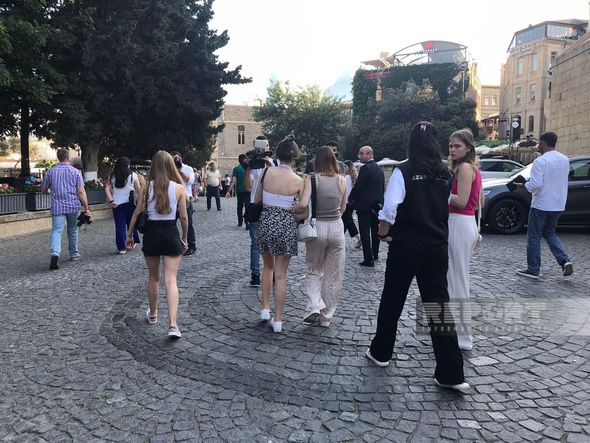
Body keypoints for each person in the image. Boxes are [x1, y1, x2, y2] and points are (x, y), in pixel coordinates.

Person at [366, 121, 469, 394]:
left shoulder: (404, 170)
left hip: (406, 245)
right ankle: (451, 372)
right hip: (436, 246)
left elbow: (390, 208)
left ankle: (381, 351)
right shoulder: (445, 172)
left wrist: (383, 233)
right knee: (439, 307)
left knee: (393, 299)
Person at [127, 151, 188, 338]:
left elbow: (136, 213)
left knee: (153, 278)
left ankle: (153, 314)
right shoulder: (179, 188)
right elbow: (184, 217)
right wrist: (185, 237)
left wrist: (129, 235)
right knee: (171, 280)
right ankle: (173, 325)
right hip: (170, 232)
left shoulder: (147, 188)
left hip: (152, 233)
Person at [256, 135, 304, 332]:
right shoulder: (299, 180)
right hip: (286, 224)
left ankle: (265, 308)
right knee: (281, 275)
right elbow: (303, 211)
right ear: (294, 157)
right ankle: (278, 320)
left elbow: (257, 199)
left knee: (268, 267)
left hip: (267, 221)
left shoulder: (266, 172)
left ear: (277, 154)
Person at [297, 146, 347, 328]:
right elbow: (343, 208)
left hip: (317, 227)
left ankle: (314, 306)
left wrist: (292, 209)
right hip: (337, 227)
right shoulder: (342, 180)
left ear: (316, 161)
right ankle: (326, 317)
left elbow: (303, 204)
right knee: (333, 275)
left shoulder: (311, 179)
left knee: (314, 269)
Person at [515, 131, 573, 279]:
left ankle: (533, 269)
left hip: (541, 204)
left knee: (534, 236)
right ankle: (564, 260)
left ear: (543, 143)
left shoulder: (540, 161)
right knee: (550, 233)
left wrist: (524, 185)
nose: (538, 147)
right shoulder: (564, 159)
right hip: (558, 203)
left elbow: (536, 184)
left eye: (540, 144)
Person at [447, 129, 483, 351]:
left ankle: (462, 338)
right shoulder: (470, 168)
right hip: (463, 223)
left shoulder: (465, 168)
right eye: (450, 145)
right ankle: (457, 334)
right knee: (454, 279)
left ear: (468, 148)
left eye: (457, 146)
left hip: (459, 223)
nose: (452, 149)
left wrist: (440, 192)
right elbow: (478, 203)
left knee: (457, 280)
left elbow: (461, 201)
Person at [41, 148, 91, 270]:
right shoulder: (76, 172)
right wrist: (86, 207)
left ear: (58, 158)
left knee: (57, 231)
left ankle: (55, 253)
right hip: (73, 206)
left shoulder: (50, 172)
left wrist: (50, 191)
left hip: (57, 207)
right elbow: (81, 191)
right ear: (68, 157)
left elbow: (43, 189)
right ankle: (74, 254)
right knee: (72, 230)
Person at [348, 146, 384, 267]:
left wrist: (351, 199)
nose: (359, 156)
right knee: (375, 231)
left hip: (365, 206)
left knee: (364, 232)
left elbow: (359, 186)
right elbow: (381, 188)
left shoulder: (365, 168)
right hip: (377, 206)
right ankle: (375, 254)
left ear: (369, 154)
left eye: (361, 154)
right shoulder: (379, 169)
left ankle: (368, 259)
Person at [245, 136, 274, 287]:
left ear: (268, 147)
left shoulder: (275, 163)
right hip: (255, 206)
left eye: (265, 146)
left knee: (272, 241)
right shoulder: (253, 163)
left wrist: (269, 164)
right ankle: (255, 274)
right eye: (259, 147)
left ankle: (272, 273)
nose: (262, 149)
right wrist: (248, 167)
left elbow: (278, 182)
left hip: (271, 206)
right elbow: (248, 187)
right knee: (255, 243)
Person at [105, 156, 141, 254]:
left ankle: (121, 247)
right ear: (128, 165)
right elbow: (139, 190)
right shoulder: (133, 175)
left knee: (119, 226)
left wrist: (111, 200)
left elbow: (107, 188)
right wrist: (139, 200)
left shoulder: (112, 176)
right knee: (132, 224)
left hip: (116, 204)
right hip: (130, 203)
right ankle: (133, 241)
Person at [171, 151, 196, 256]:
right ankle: (174, 245)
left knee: (188, 223)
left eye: (176, 158)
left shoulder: (188, 169)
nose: (175, 160)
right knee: (171, 223)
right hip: (173, 198)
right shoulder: (168, 169)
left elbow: (190, 181)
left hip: (186, 198)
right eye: (173, 159)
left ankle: (191, 246)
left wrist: (179, 171)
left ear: (181, 158)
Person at [342, 159, 362, 248]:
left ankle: (359, 238)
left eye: (345, 166)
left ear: (348, 167)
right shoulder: (353, 177)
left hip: (346, 201)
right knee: (346, 221)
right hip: (351, 202)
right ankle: (341, 239)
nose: (343, 168)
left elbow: (345, 191)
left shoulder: (346, 177)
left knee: (348, 221)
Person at [226, 154, 249, 227]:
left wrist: (228, 191)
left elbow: (233, 181)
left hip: (239, 190)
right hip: (248, 190)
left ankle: (240, 221)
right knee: (247, 206)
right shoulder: (249, 168)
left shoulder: (236, 169)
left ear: (238, 160)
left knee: (239, 206)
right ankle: (247, 222)